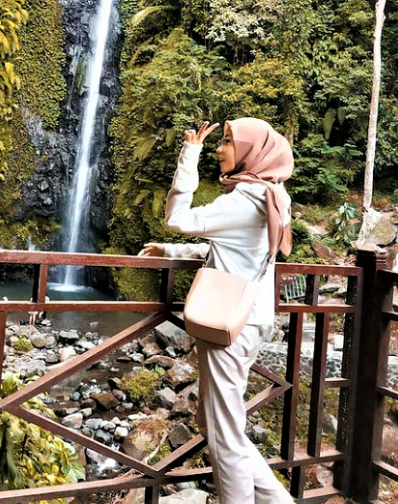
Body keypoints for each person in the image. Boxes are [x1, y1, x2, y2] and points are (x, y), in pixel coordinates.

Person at [139, 117, 294, 504]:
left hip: (230, 325)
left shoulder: (246, 200)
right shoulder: (273, 195)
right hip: (252, 319)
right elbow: (233, 249)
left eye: (227, 143)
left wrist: (189, 153)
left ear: (250, 152)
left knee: (224, 434)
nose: (220, 150)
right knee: (216, 423)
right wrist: (171, 252)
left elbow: (178, 219)